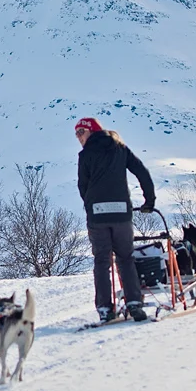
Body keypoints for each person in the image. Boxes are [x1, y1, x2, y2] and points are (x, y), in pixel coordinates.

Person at [74, 117, 156, 323]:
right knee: (125, 258)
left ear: (92, 131)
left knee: (102, 261)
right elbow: (142, 173)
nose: (78, 137)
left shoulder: (85, 155)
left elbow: (82, 186)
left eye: (81, 132)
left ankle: (104, 309)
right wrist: (149, 201)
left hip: (97, 215)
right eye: (76, 134)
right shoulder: (120, 149)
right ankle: (134, 303)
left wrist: (91, 205)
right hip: (121, 214)